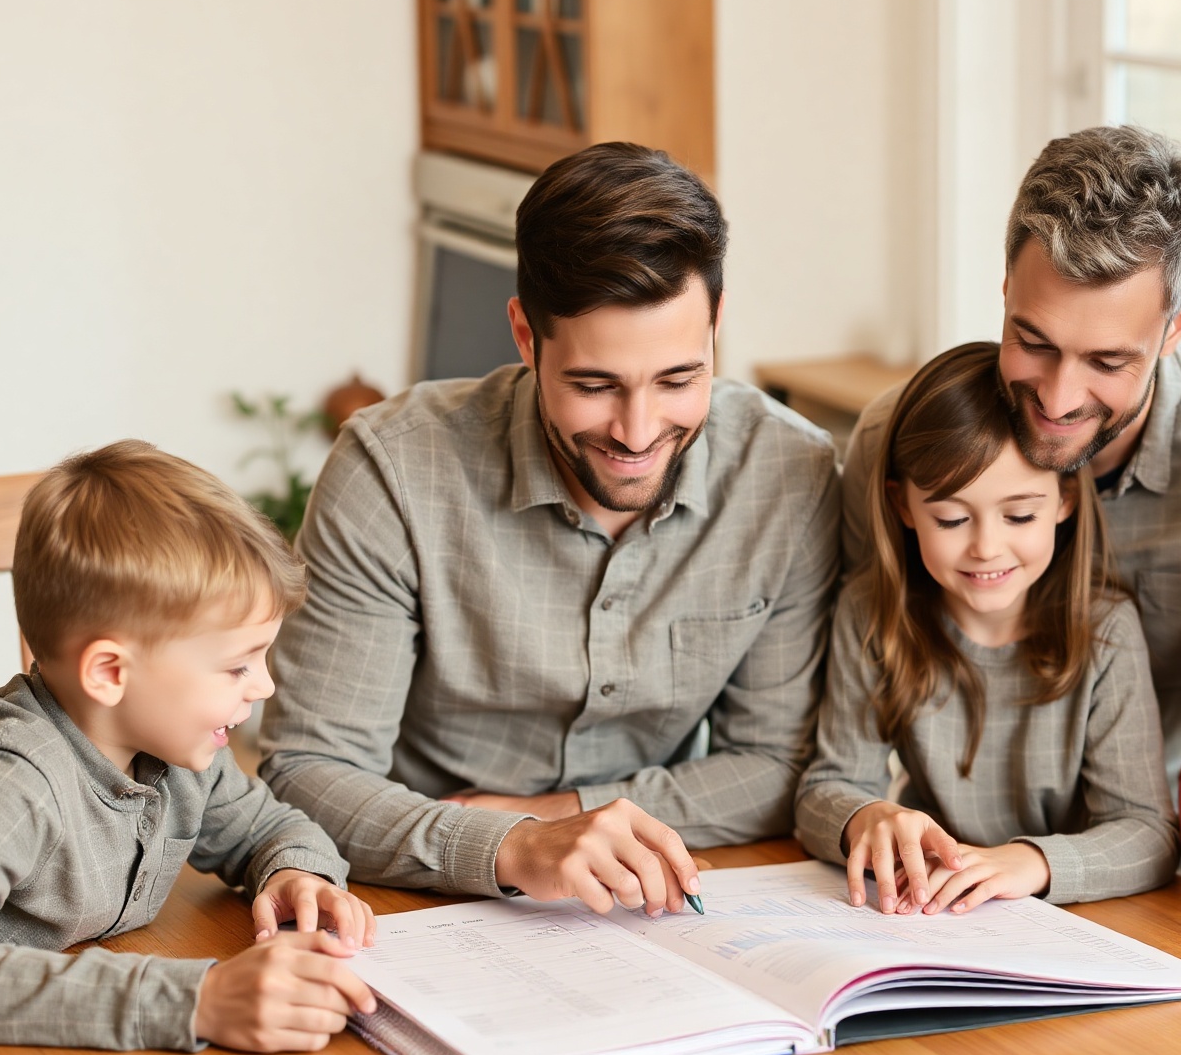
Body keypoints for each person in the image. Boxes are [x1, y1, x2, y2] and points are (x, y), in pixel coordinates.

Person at [259, 142, 841, 910]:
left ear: (716, 326)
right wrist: (511, 846)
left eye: (678, 379)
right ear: (526, 337)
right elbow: (308, 769)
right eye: (594, 385)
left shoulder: (789, 475)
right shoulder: (392, 472)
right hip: (415, 896)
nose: (637, 433)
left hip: (650, 899)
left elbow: (773, 765)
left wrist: (566, 818)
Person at [0, 443, 379, 1054]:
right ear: (109, 673)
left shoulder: (178, 753)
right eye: (237, 667)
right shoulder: (9, 782)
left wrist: (297, 871)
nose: (265, 685)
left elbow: (267, 827)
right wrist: (195, 1000)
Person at [844, 126, 1181, 790]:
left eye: (1106, 361)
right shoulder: (893, 443)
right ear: (1007, 290)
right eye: (1033, 342)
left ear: (1177, 326)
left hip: (1168, 844)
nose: (1058, 399)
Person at [797, 343, 1175, 915]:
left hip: (1075, 917)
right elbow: (824, 788)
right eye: (950, 518)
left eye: (1019, 515)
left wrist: (1031, 862)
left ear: (1066, 497)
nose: (985, 547)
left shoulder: (1106, 632)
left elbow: (1148, 834)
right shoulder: (871, 613)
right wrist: (866, 817)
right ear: (903, 507)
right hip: (931, 909)